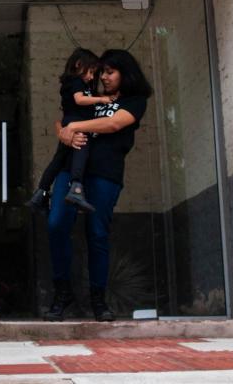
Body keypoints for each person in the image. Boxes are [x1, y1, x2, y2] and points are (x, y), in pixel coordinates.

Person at [44, 49, 152, 322]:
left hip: (105, 173)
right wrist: (62, 132)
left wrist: (74, 127)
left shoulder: (135, 100)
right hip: (70, 169)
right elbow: (63, 117)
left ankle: (98, 300)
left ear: (125, 74)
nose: (103, 77)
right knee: (56, 224)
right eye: (101, 71)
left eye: (109, 72)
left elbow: (115, 124)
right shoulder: (88, 92)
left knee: (98, 234)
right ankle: (63, 292)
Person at [26, 48, 112, 214]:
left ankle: (40, 193)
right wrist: (102, 99)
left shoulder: (80, 84)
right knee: (82, 148)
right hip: (76, 121)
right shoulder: (75, 81)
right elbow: (79, 100)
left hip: (70, 121)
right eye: (91, 72)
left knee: (59, 159)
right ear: (79, 64)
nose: (91, 77)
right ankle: (76, 189)